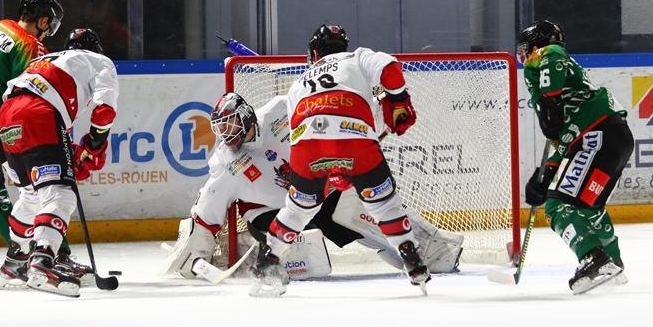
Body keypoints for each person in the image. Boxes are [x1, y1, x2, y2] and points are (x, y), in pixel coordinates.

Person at [162, 92, 463, 283]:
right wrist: (194, 252)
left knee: (356, 210)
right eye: (220, 128)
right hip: (269, 213)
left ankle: (433, 249)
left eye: (229, 124)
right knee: (306, 252)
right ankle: (255, 253)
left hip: (315, 190)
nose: (226, 134)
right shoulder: (226, 163)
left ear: (246, 116)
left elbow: (321, 111)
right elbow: (207, 208)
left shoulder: (280, 110)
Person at [249, 24, 428, 296]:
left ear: (314, 52)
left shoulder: (298, 84)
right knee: (384, 206)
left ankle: (269, 260)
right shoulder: (357, 58)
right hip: (356, 141)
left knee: (297, 210)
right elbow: (391, 69)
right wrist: (399, 100)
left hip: (308, 149)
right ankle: (410, 255)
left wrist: (328, 171)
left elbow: (300, 136)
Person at [0, 28, 118, 297]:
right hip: (39, 113)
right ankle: (43, 262)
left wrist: (69, 149)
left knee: (31, 195)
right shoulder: (100, 61)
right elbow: (105, 111)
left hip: (7, 117)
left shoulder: (45, 60)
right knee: (61, 194)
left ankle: (15, 261)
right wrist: (94, 145)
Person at [518, 19, 634, 294]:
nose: (522, 55)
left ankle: (594, 259)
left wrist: (550, 98)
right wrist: (546, 172)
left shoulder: (550, 55)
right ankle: (612, 261)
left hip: (598, 137)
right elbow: (564, 136)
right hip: (613, 137)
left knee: (558, 206)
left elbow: (553, 53)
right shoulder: (566, 87)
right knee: (589, 208)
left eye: (526, 48)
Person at [0, 0, 86, 274]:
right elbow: (31, 94)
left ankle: (18, 261)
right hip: (0, 125)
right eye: (50, 23)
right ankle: (54, 255)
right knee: (42, 190)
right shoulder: (31, 47)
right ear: (43, 20)